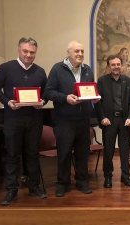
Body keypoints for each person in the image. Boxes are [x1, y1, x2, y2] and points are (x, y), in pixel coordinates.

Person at [0, 37, 47, 205]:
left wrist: (42, 102)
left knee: (32, 154)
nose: (29, 55)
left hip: (35, 119)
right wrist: (7, 101)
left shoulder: (40, 71)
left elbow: (47, 92)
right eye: (25, 51)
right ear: (19, 50)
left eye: (32, 52)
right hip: (13, 118)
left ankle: (34, 186)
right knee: (13, 155)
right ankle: (11, 190)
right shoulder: (5, 68)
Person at [44, 40, 98, 197]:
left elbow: (90, 90)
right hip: (64, 120)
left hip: (83, 119)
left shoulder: (87, 70)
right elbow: (48, 92)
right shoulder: (57, 69)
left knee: (82, 153)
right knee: (64, 153)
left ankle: (82, 182)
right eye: (77, 51)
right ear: (68, 52)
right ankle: (62, 183)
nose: (80, 54)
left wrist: (94, 97)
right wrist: (65, 98)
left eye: (82, 51)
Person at [95, 54, 130, 188]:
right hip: (109, 122)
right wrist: (102, 118)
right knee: (108, 151)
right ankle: (108, 177)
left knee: (124, 151)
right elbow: (98, 102)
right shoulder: (102, 81)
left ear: (121, 65)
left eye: (118, 64)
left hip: (124, 121)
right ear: (109, 66)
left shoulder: (128, 81)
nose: (116, 67)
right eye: (113, 65)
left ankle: (125, 176)